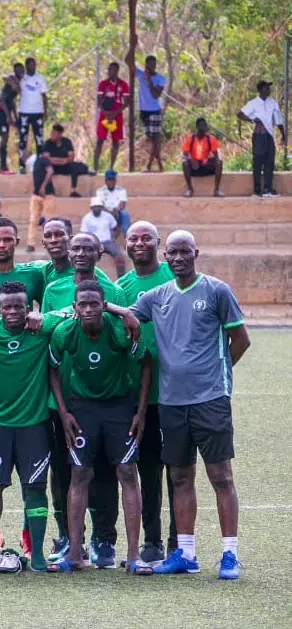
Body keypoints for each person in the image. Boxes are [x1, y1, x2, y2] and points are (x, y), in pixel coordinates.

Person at [131, 231, 249, 579]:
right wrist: (108, 308)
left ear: (195, 252)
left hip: (210, 399)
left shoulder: (216, 290)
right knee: (180, 476)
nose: (179, 257)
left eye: (185, 251)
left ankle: (229, 554)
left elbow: (240, 339)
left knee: (221, 476)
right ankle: (186, 553)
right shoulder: (157, 296)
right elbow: (128, 313)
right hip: (171, 402)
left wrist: (220, 372)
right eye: (173, 253)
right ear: (165, 256)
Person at [48, 280, 151, 575]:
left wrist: (140, 412)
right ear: (76, 308)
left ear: (104, 305)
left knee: (127, 472)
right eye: (83, 304)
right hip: (83, 408)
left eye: (95, 303)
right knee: (79, 473)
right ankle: (76, 555)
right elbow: (52, 369)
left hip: (119, 406)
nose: (89, 309)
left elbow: (145, 363)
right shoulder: (64, 332)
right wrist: (65, 412)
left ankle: (133, 556)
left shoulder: (119, 330)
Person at [0, 281, 62, 574]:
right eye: (7, 307)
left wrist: (46, 318)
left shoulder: (43, 329)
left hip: (33, 425)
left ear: (30, 307)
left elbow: (74, 312)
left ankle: (39, 555)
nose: (13, 311)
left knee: (36, 487)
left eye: (20, 306)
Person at [117, 221, 175, 563]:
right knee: (149, 471)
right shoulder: (122, 287)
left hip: (177, 395)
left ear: (158, 243)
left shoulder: (175, 277)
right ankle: (152, 542)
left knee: (180, 471)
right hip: (142, 398)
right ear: (125, 245)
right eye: (133, 238)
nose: (140, 243)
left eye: (146, 238)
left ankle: (179, 540)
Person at [236, 80, 286, 197]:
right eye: (266, 88)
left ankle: (268, 189)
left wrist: (283, 135)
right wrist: (252, 120)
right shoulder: (253, 103)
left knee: (269, 162)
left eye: (269, 88)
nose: (269, 90)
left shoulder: (273, 102)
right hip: (258, 135)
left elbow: (278, 120)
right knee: (258, 162)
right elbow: (239, 114)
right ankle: (257, 190)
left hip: (269, 135)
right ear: (261, 90)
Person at [35, 124, 90, 198]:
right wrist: (63, 160)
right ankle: (47, 191)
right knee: (42, 167)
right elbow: (46, 159)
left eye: (54, 134)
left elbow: (71, 158)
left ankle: (73, 191)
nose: (52, 135)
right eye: (52, 134)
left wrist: (63, 160)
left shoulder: (67, 142)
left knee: (76, 166)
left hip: (65, 166)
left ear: (60, 135)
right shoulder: (48, 143)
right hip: (53, 167)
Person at [95, 62, 131, 172]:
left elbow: (126, 103)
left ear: (117, 71)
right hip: (104, 115)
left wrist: (114, 114)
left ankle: (111, 167)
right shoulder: (102, 84)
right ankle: (95, 167)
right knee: (100, 140)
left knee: (116, 141)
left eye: (112, 70)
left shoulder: (123, 85)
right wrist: (106, 113)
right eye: (109, 69)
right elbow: (99, 101)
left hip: (117, 115)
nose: (110, 72)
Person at [134, 54, 168, 172]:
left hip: (154, 111)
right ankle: (159, 166)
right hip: (143, 111)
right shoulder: (140, 75)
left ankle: (151, 165)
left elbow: (155, 94)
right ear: (146, 65)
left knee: (155, 139)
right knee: (152, 139)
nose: (152, 67)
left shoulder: (160, 78)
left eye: (154, 65)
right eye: (150, 65)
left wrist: (149, 80)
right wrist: (132, 46)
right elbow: (128, 62)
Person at [17, 57, 49, 173]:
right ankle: (21, 164)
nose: (33, 67)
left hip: (37, 112)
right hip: (24, 112)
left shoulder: (40, 78)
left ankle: (40, 164)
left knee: (39, 139)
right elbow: (7, 78)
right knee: (23, 139)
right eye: (31, 65)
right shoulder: (21, 79)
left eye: (34, 64)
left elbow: (44, 96)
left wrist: (45, 112)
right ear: (26, 66)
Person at [81, 196, 127, 276]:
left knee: (119, 255)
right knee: (86, 257)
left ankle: (121, 277)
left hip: (107, 242)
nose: (97, 209)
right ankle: (87, 277)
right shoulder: (87, 218)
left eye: (99, 207)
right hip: (93, 243)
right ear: (91, 208)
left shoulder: (107, 216)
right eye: (95, 207)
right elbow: (84, 234)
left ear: (101, 207)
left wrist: (113, 238)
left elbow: (116, 228)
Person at [181, 118, 225, 198]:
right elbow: (185, 154)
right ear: (197, 126)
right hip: (194, 167)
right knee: (185, 163)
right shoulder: (190, 139)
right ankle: (189, 189)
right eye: (202, 125)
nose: (204, 127)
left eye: (205, 125)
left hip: (205, 165)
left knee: (219, 162)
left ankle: (217, 190)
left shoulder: (211, 139)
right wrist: (192, 160)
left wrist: (208, 160)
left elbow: (216, 156)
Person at [0, 66, 21, 174]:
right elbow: (2, 99)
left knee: (6, 138)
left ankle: (4, 167)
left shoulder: (16, 86)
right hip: (0, 113)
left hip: (5, 113)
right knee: (4, 139)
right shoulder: (9, 85)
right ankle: (2, 168)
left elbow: (12, 102)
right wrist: (8, 116)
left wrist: (15, 116)